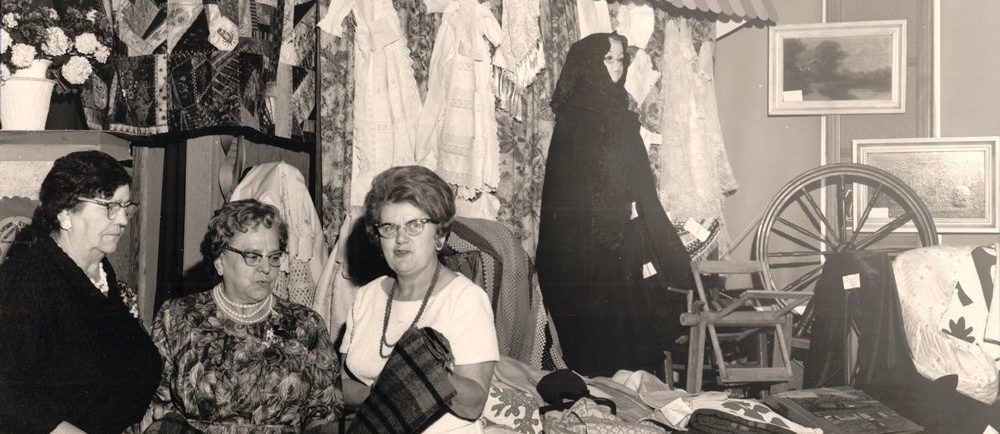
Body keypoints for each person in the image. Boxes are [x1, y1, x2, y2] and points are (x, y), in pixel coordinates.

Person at [535, 33, 694, 377]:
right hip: (580, 251)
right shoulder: (578, 119)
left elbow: (638, 186)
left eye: (620, 59)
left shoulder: (615, 116)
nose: (617, 68)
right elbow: (562, 194)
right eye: (608, 59)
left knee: (615, 342)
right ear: (590, 65)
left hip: (610, 245)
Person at [0, 150, 162, 433]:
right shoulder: (28, 279)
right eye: (109, 206)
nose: (123, 220)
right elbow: (6, 393)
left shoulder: (103, 273)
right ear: (65, 214)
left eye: (126, 207)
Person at [143, 199, 339, 432]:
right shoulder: (177, 317)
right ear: (220, 262)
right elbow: (156, 406)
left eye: (274, 257)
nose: (267, 268)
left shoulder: (306, 325)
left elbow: (325, 415)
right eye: (253, 256)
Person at [341, 165, 499, 433]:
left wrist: (424, 377)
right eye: (389, 227)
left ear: (439, 235)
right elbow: (342, 385)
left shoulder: (466, 300)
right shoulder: (367, 296)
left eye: (414, 225)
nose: (400, 239)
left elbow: (474, 403)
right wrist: (388, 396)